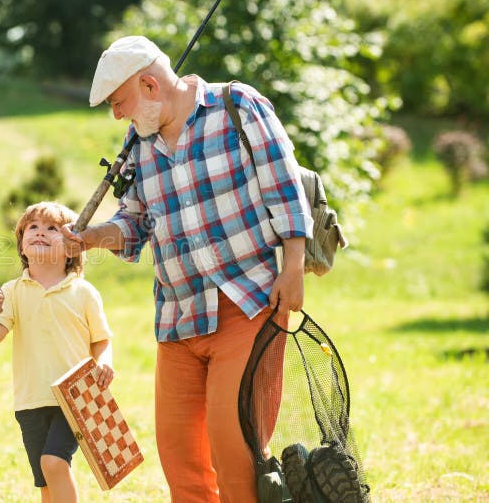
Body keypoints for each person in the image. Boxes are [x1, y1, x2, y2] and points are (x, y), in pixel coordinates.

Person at [60, 36, 314, 503]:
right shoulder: (139, 142)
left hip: (249, 306)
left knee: (235, 454)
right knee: (181, 463)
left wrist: (293, 265)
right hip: (178, 319)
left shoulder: (237, 106)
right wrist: (93, 236)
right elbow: (135, 224)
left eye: (119, 102)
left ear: (150, 84)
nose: (116, 115)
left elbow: (285, 189)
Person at [0, 201, 114, 503]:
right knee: (45, 483)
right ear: (22, 246)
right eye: (33, 228)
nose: (40, 232)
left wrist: (104, 362)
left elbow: (102, 339)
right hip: (30, 400)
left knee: (54, 463)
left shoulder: (83, 292)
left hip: (75, 397)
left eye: (52, 228)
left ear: (72, 249)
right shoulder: (13, 290)